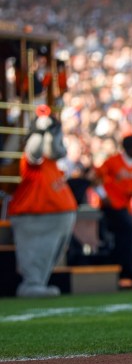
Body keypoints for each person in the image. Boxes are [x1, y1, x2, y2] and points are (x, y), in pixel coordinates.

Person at [8, 105, 77, 297]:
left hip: (58, 217)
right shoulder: (31, 163)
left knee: (49, 254)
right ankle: (32, 284)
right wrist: (40, 130)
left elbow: (58, 149)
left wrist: (53, 131)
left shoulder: (53, 163)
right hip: (35, 215)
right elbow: (34, 153)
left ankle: (40, 282)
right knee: (35, 253)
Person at [94, 134, 132, 286]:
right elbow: (96, 177)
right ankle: (128, 269)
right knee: (127, 232)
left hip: (125, 207)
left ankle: (121, 268)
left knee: (124, 238)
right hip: (111, 206)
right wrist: (103, 195)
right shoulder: (113, 162)